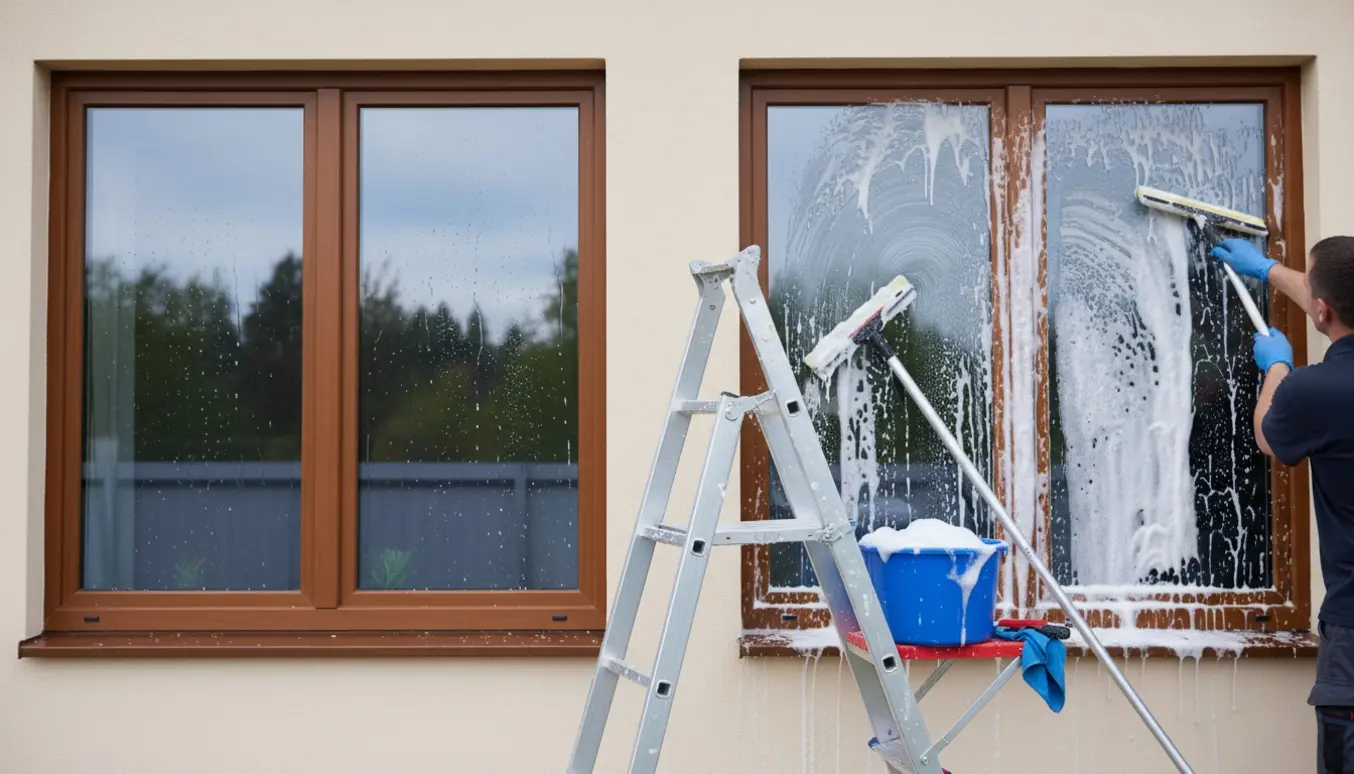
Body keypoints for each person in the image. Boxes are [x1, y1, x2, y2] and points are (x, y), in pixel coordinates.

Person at [1213, 236, 1354, 774]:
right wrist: (1269, 270)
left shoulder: (1313, 392)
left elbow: (1270, 436)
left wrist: (1277, 368)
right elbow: (1330, 299)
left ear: (1322, 309)